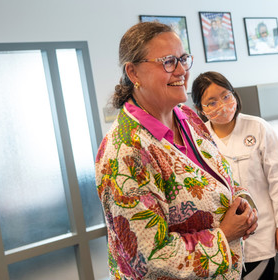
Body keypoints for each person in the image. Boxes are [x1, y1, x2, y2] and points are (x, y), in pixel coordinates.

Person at [95, 22, 258, 279]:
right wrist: (225, 235)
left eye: (183, 59)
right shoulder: (126, 151)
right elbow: (148, 258)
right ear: (133, 72)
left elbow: (222, 178)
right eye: (168, 61)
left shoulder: (188, 118)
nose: (182, 70)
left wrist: (244, 205)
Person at [191, 71, 278, 280]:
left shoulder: (258, 128)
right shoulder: (198, 138)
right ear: (200, 109)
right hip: (220, 239)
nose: (222, 105)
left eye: (226, 96)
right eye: (212, 102)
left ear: (234, 95)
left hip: (261, 233)